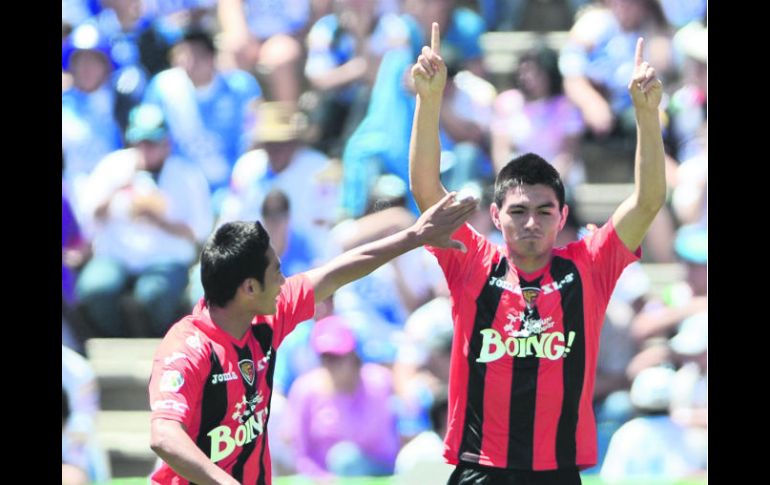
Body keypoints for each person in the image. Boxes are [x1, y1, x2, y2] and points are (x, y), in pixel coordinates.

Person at [409, 23, 666, 484]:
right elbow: (427, 191)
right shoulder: (472, 261)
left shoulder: (589, 265)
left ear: (563, 215)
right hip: (480, 468)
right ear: (495, 215)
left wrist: (647, 115)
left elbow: (648, 202)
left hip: (556, 472)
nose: (531, 222)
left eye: (544, 211)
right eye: (518, 211)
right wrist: (429, 102)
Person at [148, 191, 477, 484]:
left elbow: (337, 272)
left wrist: (415, 236)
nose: (284, 282)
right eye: (277, 272)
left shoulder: (266, 318)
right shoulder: (187, 349)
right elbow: (164, 436)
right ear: (249, 288)